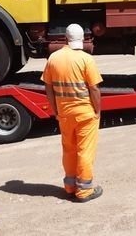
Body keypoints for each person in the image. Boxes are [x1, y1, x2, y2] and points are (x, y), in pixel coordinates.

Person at [41, 23, 103, 203]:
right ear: (82, 39)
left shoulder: (53, 59)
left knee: (69, 150)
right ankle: (84, 190)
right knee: (85, 151)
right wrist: (97, 111)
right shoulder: (86, 59)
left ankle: (70, 186)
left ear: (66, 38)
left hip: (65, 114)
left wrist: (56, 111)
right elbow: (94, 89)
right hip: (85, 114)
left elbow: (49, 89)